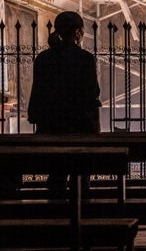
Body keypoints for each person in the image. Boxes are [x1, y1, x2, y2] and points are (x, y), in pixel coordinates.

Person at [28, 11, 101, 193]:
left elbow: (38, 92)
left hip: (51, 126)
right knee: (82, 177)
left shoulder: (43, 59)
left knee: (56, 176)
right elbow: (91, 94)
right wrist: (95, 128)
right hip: (79, 126)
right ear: (77, 33)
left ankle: (54, 215)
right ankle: (81, 216)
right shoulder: (84, 58)